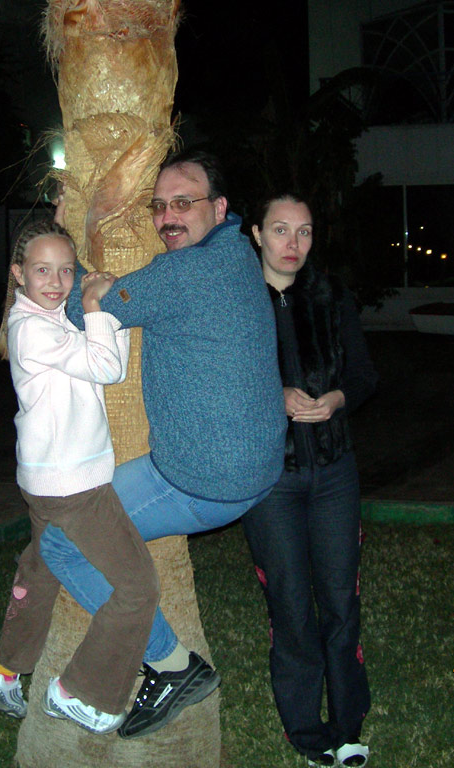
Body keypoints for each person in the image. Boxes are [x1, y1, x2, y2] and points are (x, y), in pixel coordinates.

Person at [40, 148, 288, 739]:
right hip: (253, 466)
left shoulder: (185, 273)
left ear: (220, 208)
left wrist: (73, 254)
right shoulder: (236, 253)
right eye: (158, 206)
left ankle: (172, 665)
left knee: (62, 543)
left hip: (204, 479)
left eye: (183, 203)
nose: (167, 217)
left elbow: (76, 307)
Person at [0, 219, 160, 735]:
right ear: (18, 273)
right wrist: (97, 305)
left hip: (46, 480)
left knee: (40, 571)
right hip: (73, 487)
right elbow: (107, 368)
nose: (56, 282)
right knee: (138, 587)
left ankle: (5, 674)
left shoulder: (48, 319)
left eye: (66, 270)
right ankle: (81, 692)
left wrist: (106, 313)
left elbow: (107, 357)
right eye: (42, 270)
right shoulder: (32, 329)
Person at [240, 193, 377, 767]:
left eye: (304, 231)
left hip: (334, 473)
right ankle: (305, 728)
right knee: (291, 605)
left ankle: (348, 725)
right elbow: (219, 383)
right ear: (256, 234)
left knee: (341, 602)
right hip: (271, 479)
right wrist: (273, 396)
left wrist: (338, 398)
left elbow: (364, 375)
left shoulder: (330, 294)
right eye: (280, 230)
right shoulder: (237, 300)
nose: (293, 244)